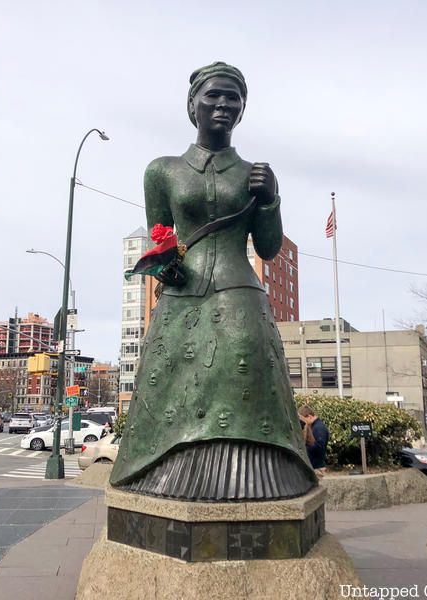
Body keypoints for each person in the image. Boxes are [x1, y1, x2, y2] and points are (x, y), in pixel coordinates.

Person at [109, 63, 316, 500]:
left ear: (242, 111)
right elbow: (161, 237)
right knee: (167, 390)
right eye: (213, 96)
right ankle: (164, 480)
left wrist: (271, 200)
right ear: (192, 105)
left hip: (240, 294)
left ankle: (255, 483)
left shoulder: (252, 173)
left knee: (244, 391)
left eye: (233, 99)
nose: (223, 105)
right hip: (182, 296)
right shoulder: (161, 171)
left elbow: (268, 248)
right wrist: (166, 269)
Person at [298, 405, 329, 477]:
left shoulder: (318, 428)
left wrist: (304, 448)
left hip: (317, 468)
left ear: (309, 416)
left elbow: (319, 447)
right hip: (316, 466)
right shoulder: (316, 426)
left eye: (303, 419)